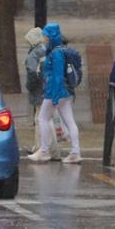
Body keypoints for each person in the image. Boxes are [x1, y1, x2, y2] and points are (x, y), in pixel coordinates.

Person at [29, 23, 82, 164]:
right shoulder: (57, 51)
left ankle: (44, 150)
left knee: (42, 119)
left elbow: (57, 75)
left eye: (46, 35)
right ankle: (75, 152)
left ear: (51, 36)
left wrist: (54, 95)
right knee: (70, 122)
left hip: (54, 91)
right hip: (62, 92)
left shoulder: (56, 53)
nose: (44, 37)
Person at [23, 27, 48, 152]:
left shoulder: (33, 54)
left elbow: (32, 71)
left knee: (39, 119)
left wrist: (30, 85)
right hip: (47, 88)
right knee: (46, 119)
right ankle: (45, 146)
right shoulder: (45, 50)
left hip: (38, 90)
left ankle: (39, 147)